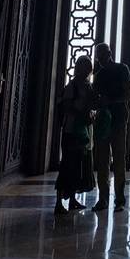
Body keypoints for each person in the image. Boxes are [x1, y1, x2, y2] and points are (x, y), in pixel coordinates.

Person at [92, 42, 130, 212]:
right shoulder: (103, 74)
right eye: (98, 56)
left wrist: (108, 101)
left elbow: (127, 94)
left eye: (102, 55)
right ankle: (106, 199)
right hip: (107, 121)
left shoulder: (121, 70)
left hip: (116, 120)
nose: (100, 59)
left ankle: (117, 199)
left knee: (116, 160)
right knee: (105, 161)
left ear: (109, 54)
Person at [55, 54, 96, 214]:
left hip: (81, 131)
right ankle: (59, 202)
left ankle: (72, 200)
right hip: (71, 130)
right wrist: (82, 113)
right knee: (67, 166)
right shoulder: (73, 86)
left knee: (76, 166)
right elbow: (67, 106)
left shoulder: (85, 86)